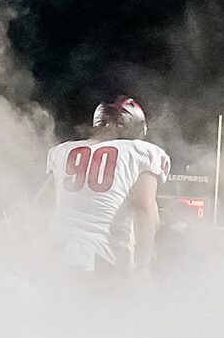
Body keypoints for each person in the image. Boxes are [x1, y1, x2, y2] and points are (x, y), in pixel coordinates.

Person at [46, 97, 168, 274]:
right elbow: (144, 209)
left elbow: (49, 205)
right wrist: (143, 268)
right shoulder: (139, 152)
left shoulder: (62, 151)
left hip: (58, 254)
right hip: (104, 259)